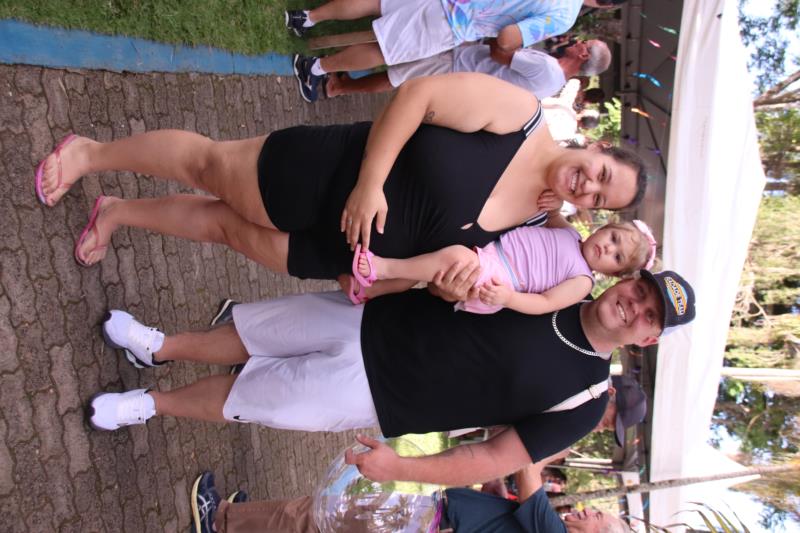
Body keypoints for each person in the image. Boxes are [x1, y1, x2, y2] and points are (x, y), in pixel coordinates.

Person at [87, 268, 695, 487]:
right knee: (255, 332)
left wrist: (401, 467)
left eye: (649, 317)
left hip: (378, 396)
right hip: (374, 317)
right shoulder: (559, 278)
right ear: (628, 281)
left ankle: (152, 403)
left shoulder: (586, 401)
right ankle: (160, 346)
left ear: (647, 340)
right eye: (641, 291)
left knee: (251, 397)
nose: (634, 306)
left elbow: (491, 458)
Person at [35, 74, 648, 283]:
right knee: (209, 167)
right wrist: (370, 184)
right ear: (597, 147)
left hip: (339, 250)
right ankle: (90, 154)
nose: (587, 187)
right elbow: (418, 96)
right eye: (600, 173)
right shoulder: (521, 116)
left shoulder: (542, 216)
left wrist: (381, 280)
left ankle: (116, 212)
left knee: (222, 228)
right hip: (335, 174)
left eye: (600, 198)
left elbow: (469, 267)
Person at [286, 0, 628, 102]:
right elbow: (508, 38)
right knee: (385, 50)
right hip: (458, 22)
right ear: (603, 4)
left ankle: (307, 18)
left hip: (456, 5)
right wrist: (505, 39)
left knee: (380, 3)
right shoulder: (564, 15)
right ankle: (314, 68)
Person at [188, 459, 631, 532]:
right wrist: (494, 495)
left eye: (600, 519)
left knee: (317, 518)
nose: (590, 510)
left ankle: (221, 520)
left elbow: (527, 465)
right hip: (433, 519)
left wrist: (555, 429)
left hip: (427, 524)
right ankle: (244, 521)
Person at [351, 219, 657, 314]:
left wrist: (508, 298)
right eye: (613, 238)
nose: (608, 248)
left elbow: (546, 303)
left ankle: (383, 268)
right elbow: (551, 212)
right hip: (492, 253)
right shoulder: (571, 234)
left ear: (611, 273)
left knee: (454, 260)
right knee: (434, 264)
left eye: (617, 257)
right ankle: (373, 291)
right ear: (604, 227)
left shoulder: (582, 280)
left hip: (500, 282)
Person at [324, 39, 611, 101]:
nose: (578, 41)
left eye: (584, 43)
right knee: (400, 74)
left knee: (397, 75)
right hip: (464, 75)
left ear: (583, 55)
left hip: (461, 64)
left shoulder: (548, 68)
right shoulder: (554, 84)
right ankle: (345, 82)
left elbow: (500, 53)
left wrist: (508, 32)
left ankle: (340, 87)